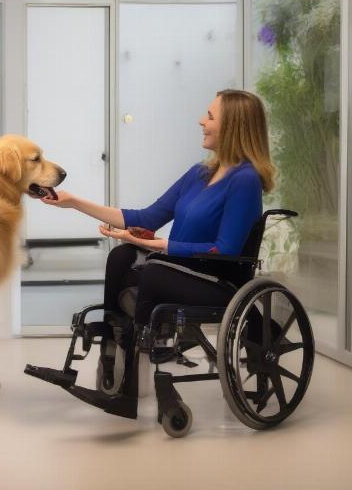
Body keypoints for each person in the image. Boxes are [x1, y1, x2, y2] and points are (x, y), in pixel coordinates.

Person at [41, 89, 276, 325]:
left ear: (234, 126)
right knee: (121, 256)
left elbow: (225, 249)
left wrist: (163, 246)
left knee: (154, 273)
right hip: (181, 269)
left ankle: (142, 350)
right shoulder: (199, 173)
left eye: (210, 117)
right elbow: (146, 218)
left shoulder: (245, 180)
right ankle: (112, 349)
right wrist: (74, 203)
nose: (201, 121)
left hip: (214, 280)